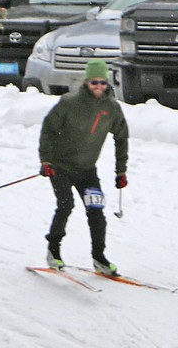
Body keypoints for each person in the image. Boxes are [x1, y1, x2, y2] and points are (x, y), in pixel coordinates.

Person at [38, 58, 129, 275]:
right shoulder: (69, 103)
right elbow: (48, 130)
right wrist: (46, 161)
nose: (99, 86)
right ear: (86, 82)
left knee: (96, 212)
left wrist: (121, 171)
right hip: (60, 167)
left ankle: (99, 257)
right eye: (94, 82)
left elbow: (122, 137)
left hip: (87, 169)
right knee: (66, 205)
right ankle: (54, 251)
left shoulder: (112, 108)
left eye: (102, 82)